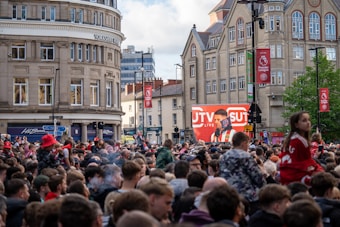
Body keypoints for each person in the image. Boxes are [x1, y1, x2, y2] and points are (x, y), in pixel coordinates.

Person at [219, 132, 266, 209]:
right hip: (248, 196)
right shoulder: (246, 156)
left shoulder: (224, 157)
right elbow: (257, 177)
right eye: (248, 144)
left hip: (229, 195)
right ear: (243, 143)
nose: (248, 146)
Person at [279, 112, 324, 185]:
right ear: (296, 124)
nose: (308, 123)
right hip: (296, 177)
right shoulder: (299, 141)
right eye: (304, 120)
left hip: (288, 176)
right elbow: (306, 162)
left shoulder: (291, 139)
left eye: (308, 120)